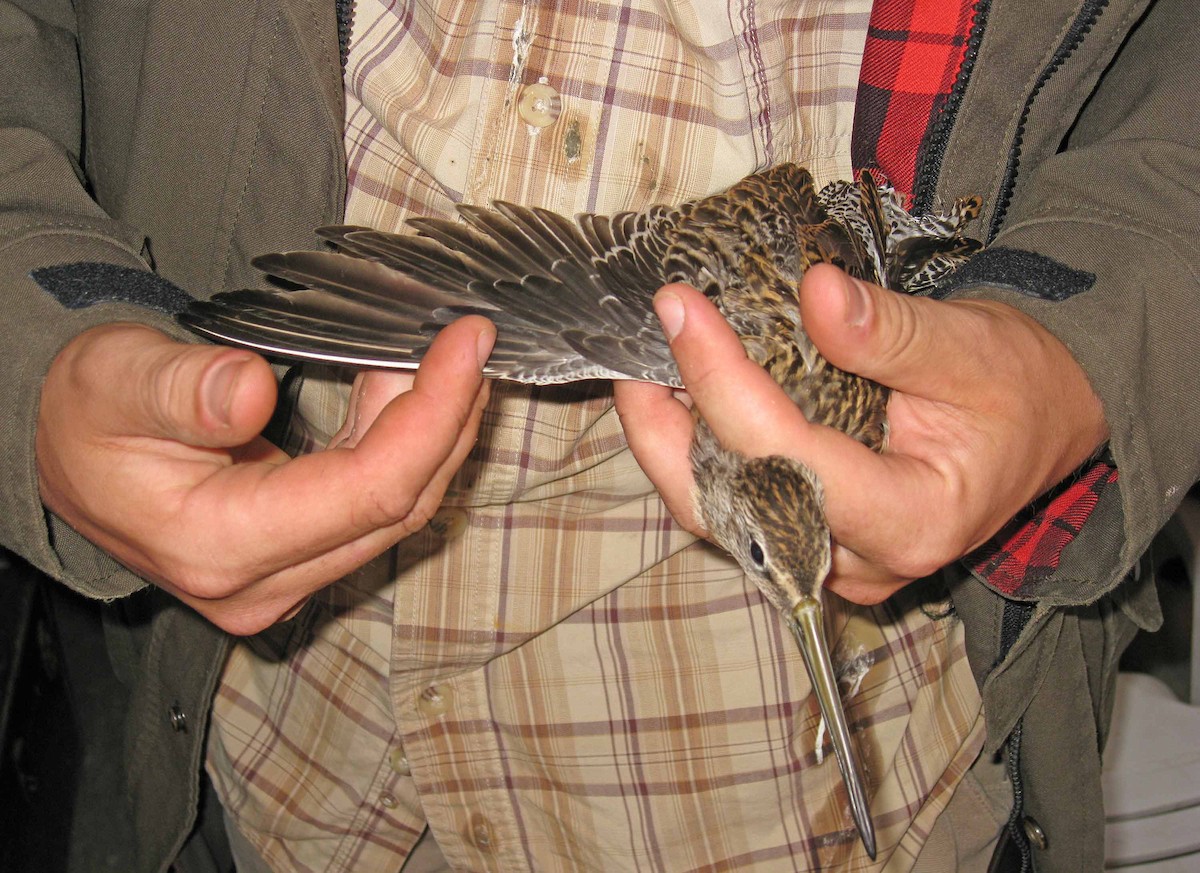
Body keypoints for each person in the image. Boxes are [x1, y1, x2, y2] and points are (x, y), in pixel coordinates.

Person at [2, 0, 1195, 871]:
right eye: (796, 584)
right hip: (268, 776)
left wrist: (1077, 347)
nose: (809, 611)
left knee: (575, 331)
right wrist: (31, 349)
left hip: (809, 820)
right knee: (564, 329)